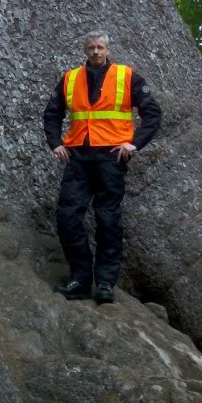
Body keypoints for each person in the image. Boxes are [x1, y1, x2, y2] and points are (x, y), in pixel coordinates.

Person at [43, 30, 162, 304]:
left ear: (108, 50)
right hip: (78, 157)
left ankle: (106, 282)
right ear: (85, 50)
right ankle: (80, 279)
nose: (96, 52)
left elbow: (152, 112)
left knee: (108, 219)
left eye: (100, 47)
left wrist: (135, 144)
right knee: (67, 217)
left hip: (112, 157)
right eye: (91, 47)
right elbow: (52, 114)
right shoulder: (70, 78)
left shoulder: (126, 76)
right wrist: (55, 143)